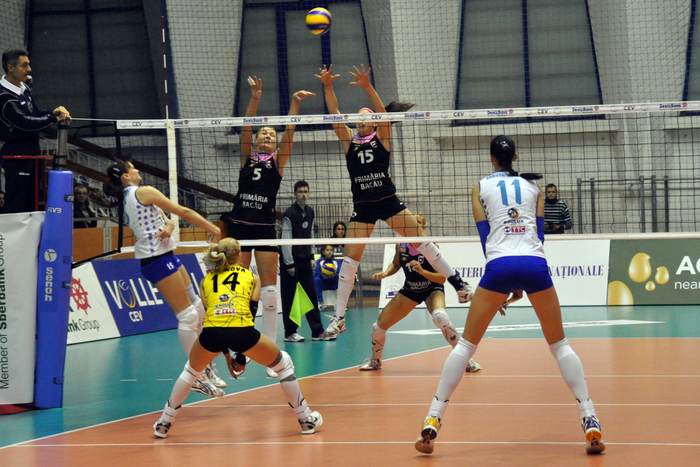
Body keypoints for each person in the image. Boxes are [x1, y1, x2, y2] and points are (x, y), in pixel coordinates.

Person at [414, 135, 604, 456]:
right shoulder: (534, 188)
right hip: (534, 263)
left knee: (465, 346)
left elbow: (485, 236)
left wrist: (502, 283)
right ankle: (589, 417)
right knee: (560, 345)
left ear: (491, 158)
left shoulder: (479, 187)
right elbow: (539, 235)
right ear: (515, 156)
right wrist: (521, 281)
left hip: (499, 264)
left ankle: (433, 417)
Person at [316, 64, 472, 338]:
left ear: (375, 121)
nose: (360, 120)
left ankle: (459, 284)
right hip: (363, 205)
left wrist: (367, 86)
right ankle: (339, 318)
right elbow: (335, 115)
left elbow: (383, 116)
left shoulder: (382, 137)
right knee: (350, 261)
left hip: (388, 200)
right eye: (358, 117)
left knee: (423, 242)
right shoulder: (349, 141)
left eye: (366, 117)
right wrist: (328, 86)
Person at [153, 238, 323, 438]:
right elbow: (249, 315)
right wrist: (241, 357)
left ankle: (164, 422)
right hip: (242, 331)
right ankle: (305, 419)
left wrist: (226, 355)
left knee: (191, 371)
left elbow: (214, 318)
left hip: (211, 333)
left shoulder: (206, 280)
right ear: (238, 254)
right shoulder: (251, 277)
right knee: (283, 364)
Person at [104, 160, 227, 395]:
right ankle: (196, 375)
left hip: (165, 255)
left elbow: (167, 219)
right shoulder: (143, 191)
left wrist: (169, 228)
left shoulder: (129, 197)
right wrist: (213, 229)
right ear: (125, 176)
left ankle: (205, 365)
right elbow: (183, 212)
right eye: (132, 168)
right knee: (188, 316)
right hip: (156, 259)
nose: (137, 170)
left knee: (198, 307)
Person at [220, 76, 314, 351]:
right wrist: (255, 98)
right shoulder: (246, 157)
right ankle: (240, 337)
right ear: (256, 139)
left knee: (270, 288)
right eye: (264, 133)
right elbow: (246, 127)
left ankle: (271, 344)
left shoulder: (278, 163)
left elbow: (290, 133)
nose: (268, 136)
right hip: (239, 226)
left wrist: (295, 105)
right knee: (238, 284)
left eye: (272, 135)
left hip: (263, 227)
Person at [359, 214, 480, 373]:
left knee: (440, 317)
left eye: (417, 224)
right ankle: (375, 361)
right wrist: (385, 273)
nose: (413, 226)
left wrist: (422, 271)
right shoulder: (401, 245)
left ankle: (466, 360)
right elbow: (396, 264)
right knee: (378, 327)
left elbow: (442, 278)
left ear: (422, 228)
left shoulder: (431, 247)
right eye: (411, 223)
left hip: (432, 288)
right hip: (411, 289)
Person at [0, 49, 70, 213]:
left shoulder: (24, 88)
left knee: (32, 201)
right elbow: (25, 122)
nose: (29, 69)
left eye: (29, 65)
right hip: (16, 156)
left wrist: (53, 112)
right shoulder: (4, 97)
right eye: (24, 65)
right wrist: (53, 118)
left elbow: (35, 113)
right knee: (17, 203)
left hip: (32, 152)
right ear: (11, 68)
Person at [279, 180, 334, 342]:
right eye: (300, 192)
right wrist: (289, 263)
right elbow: (286, 239)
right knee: (289, 297)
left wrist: (312, 256)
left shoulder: (310, 211)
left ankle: (317, 332)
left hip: (305, 260)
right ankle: (290, 333)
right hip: (291, 262)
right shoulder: (289, 213)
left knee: (311, 295)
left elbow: (310, 235)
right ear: (295, 194)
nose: (303, 195)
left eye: (305, 191)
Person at [314, 244, 342, 311]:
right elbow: (317, 273)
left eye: (331, 250)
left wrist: (333, 275)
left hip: (334, 282)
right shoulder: (319, 261)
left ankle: (340, 304)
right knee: (316, 279)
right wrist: (324, 276)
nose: (329, 252)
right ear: (323, 252)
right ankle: (320, 302)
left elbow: (339, 273)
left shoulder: (337, 262)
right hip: (323, 282)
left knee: (342, 279)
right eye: (327, 250)